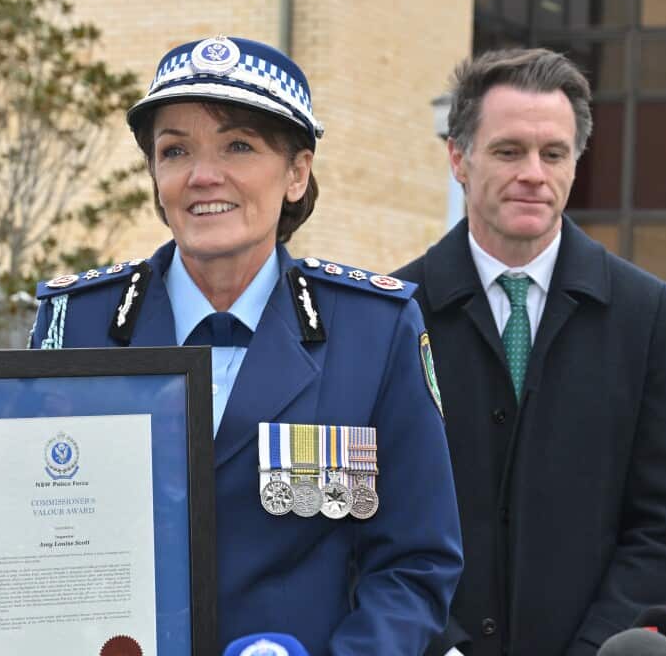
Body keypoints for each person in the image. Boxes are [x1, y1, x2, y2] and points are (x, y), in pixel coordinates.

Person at [28, 35, 463, 654]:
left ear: (296, 173)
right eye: (175, 150)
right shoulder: (76, 323)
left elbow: (416, 564)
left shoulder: (375, 328)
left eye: (238, 146)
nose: (204, 176)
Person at [393, 48, 666, 656]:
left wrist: (596, 649)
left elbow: (661, 524)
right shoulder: (395, 313)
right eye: (509, 151)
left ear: (575, 163)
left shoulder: (645, 314)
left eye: (553, 153)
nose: (534, 172)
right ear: (459, 157)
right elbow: (374, 516)